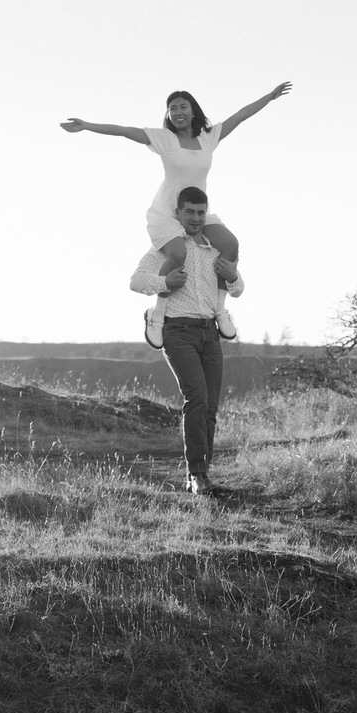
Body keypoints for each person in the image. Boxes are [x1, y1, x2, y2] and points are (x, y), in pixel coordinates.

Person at [60, 81, 289, 345]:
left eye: (183, 106)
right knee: (178, 253)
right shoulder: (165, 139)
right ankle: (157, 315)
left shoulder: (208, 137)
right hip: (168, 212)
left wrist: (269, 97)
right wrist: (88, 125)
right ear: (168, 115)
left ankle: (219, 308)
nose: (177, 111)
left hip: (197, 211)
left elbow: (240, 115)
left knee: (230, 244)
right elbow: (124, 131)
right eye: (172, 108)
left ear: (193, 112)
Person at [130, 185, 244, 494]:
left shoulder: (215, 249)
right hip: (177, 332)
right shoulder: (168, 247)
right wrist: (165, 281)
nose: (195, 218)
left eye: (200, 212)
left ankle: (201, 474)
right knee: (197, 398)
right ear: (178, 214)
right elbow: (136, 281)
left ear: (207, 215)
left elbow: (238, 288)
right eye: (189, 212)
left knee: (210, 408)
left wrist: (232, 274)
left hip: (210, 332)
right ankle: (196, 474)